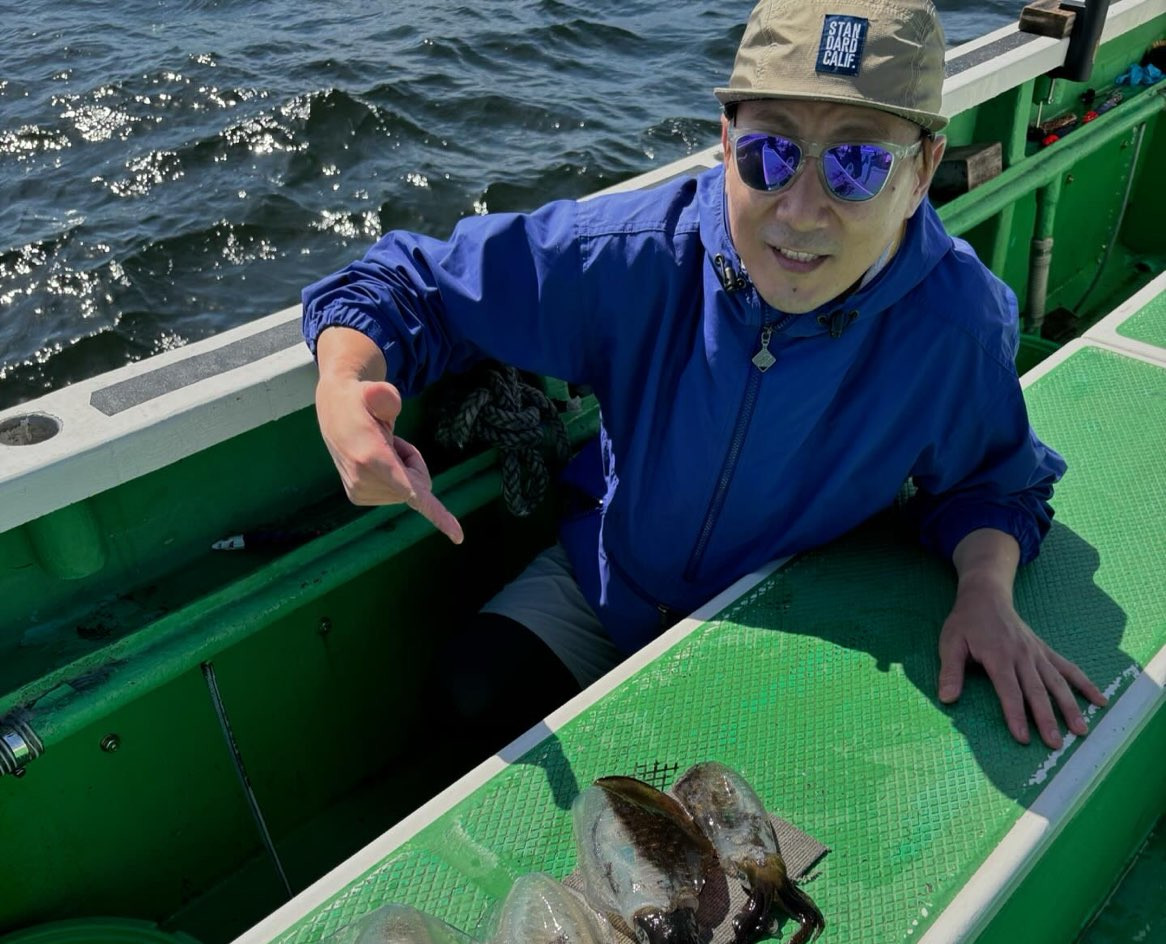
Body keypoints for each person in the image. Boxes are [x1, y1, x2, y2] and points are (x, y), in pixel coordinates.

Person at [302, 0, 1106, 753]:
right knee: (467, 697)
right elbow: (411, 283)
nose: (799, 210)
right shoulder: (632, 254)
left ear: (922, 171)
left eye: (857, 166)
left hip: (798, 612)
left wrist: (985, 590)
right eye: (770, 154)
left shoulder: (955, 328)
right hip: (611, 579)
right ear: (725, 142)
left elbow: (994, 487)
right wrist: (344, 389)